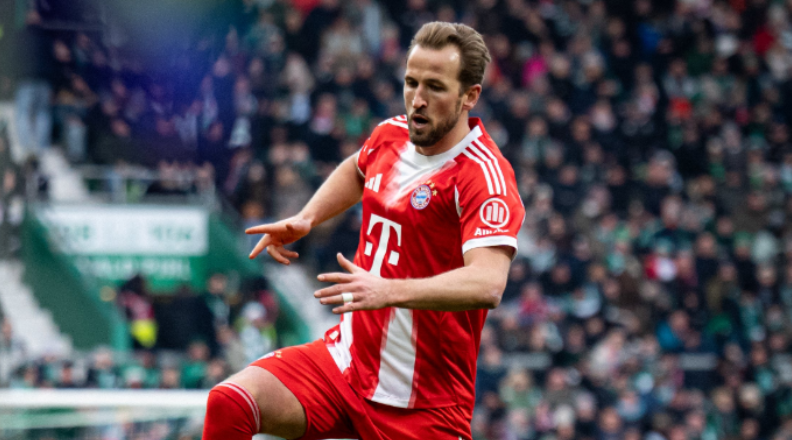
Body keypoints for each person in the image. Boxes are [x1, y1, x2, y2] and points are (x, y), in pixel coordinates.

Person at [202, 22, 525, 440]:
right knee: (230, 403)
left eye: (435, 87)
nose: (418, 99)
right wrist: (308, 217)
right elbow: (358, 169)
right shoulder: (390, 135)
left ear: (470, 96)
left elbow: (488, 283)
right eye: (411, 82)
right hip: (344, 365)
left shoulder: (483, 176)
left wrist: (389, 290)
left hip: (424, 405)